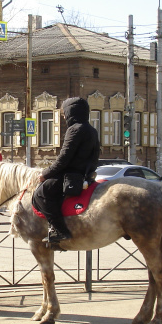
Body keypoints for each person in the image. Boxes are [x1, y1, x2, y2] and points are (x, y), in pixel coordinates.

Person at [32, 97, 100, 248]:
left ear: (72, 112)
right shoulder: (92, 130)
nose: (63, 116)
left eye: (64, 113)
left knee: (41, 193)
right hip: (84, 176)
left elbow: (63, 159)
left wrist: (45, 174)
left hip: (70, 175)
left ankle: (59, 230)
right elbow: (95, 158)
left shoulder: (75, 129)